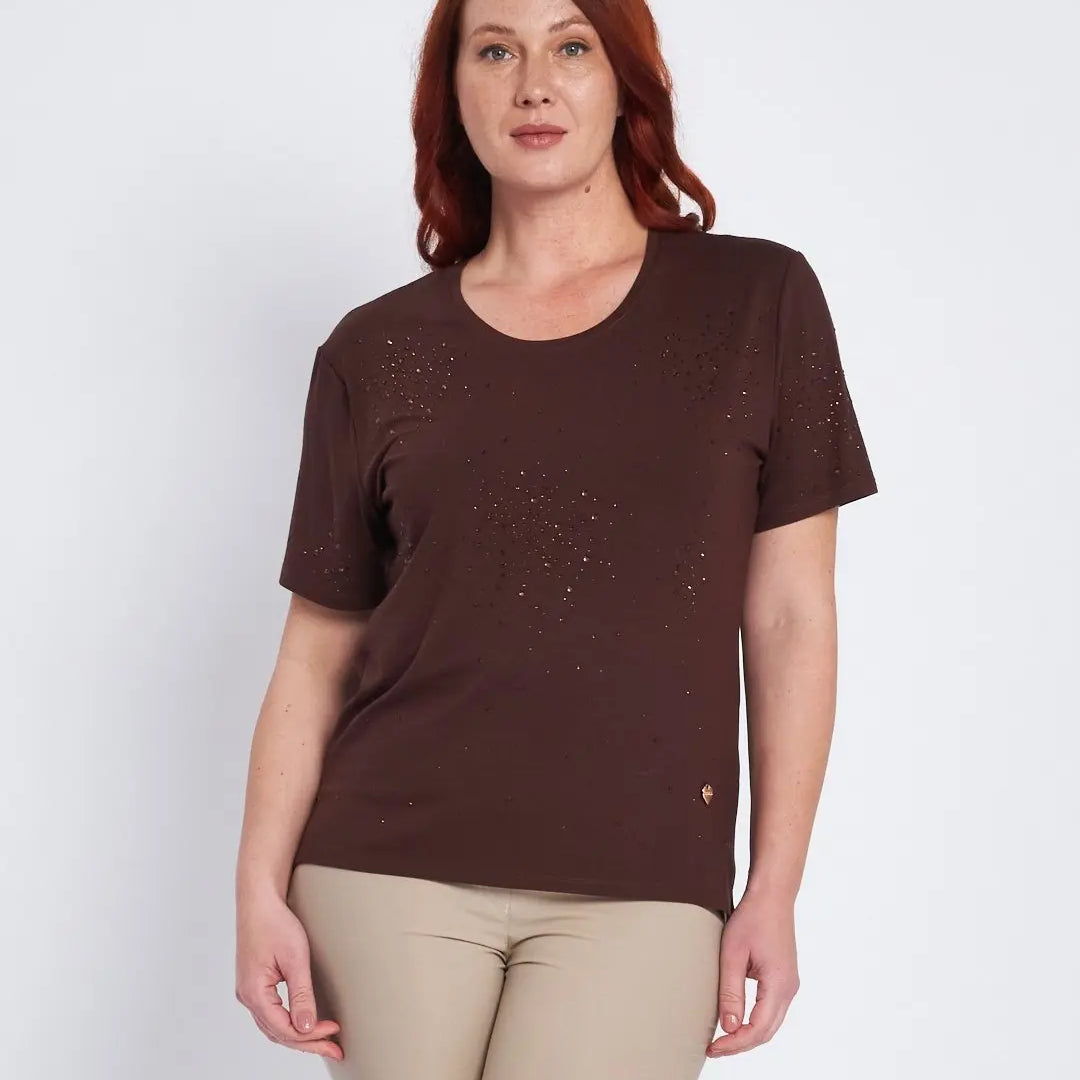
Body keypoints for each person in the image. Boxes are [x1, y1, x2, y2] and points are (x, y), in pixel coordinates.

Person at [234, 0, 880, 1076]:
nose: (533, 82)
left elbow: (791, 616)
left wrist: (774, 886)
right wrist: (257, 889)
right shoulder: (374, 349)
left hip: (644, 880)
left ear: (625, 81)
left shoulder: (756, 303)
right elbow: (317, 647)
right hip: (383, 866)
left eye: (571, 46)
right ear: (453, 91)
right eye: (496, 50)